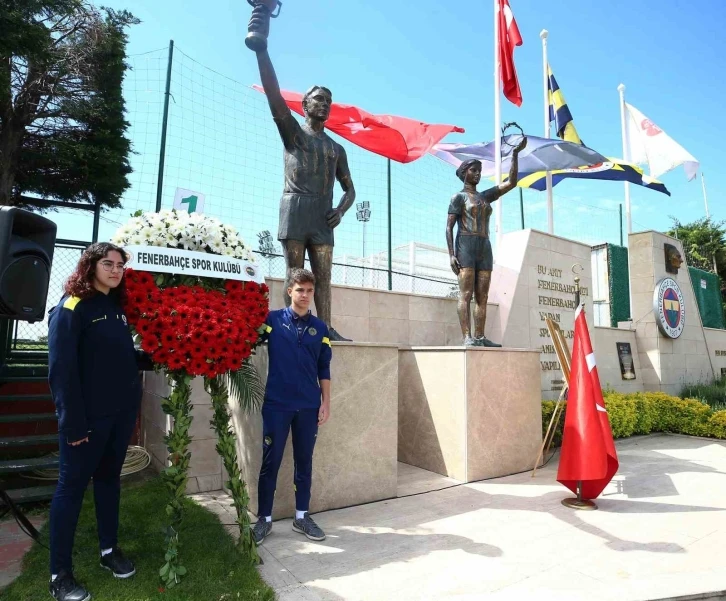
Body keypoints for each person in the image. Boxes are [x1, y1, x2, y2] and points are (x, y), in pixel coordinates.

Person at [249, 5, 356, 340]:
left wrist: (340, 210)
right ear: (305, 105)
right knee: (294, 273)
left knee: (323, 276)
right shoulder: (293, 133)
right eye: (317, 99)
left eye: (327, 100)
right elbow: (272, 93)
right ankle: (287, 327)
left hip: (323, 214)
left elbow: (350, 189)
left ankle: (324, 329)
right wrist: (262, 50)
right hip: (294, 209)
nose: (323, 103)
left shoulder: (337, 148)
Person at [47, 242, 141, 601]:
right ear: (90, 266)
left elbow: (119, 358)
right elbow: (61, 371)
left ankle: (108, 551)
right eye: (108, 263)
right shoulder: (72, 307)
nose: (115, 270)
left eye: (119, 265)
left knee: (108, 483)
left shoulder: (116, 309)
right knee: (70, 491)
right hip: (85, 424)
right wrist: (71, 423)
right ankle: (60, 574)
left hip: (118, 419)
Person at [252, 267, 332, 544]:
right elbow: (250, 336)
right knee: (270, 462)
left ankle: (302, 517)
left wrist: (326, 403)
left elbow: (324, 368)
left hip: (309, 407)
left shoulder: (320, 328)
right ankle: (264, 519)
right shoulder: (272, 320)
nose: (305, 295)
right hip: (277, 404)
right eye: (300, 290)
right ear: (290, 291)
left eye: (310, 291)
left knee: (304, 462)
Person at [445, 137, 527, 346]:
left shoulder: (485, 196)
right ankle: (467, 337)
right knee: (466, 294)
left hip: (484, 247)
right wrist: (451, 255)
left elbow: (511, 182)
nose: (478, 174)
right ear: (465, 173)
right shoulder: (459, 197)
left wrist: (515, 155)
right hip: (465, 246)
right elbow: (449, 227)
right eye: (474, 170)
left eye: (480, 171)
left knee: (483, 296)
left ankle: (480, 336)